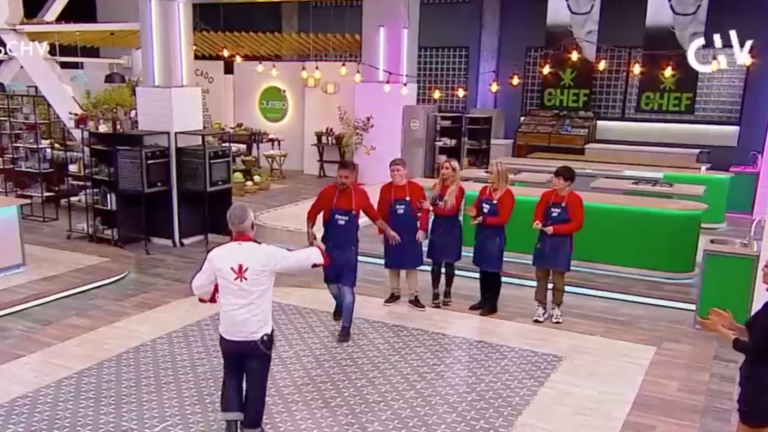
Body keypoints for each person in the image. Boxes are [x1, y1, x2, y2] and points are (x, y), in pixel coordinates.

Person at [192, 202, 327, 432]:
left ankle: (231, 424)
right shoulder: (266, 254)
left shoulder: (217, 255)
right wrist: (319, 250)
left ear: (230, 226)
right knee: (256, 382)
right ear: (253, 225)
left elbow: (199, 286)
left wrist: (214, 295)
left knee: (231, 375)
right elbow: (299, 260)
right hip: (258, 335)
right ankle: (252, 427)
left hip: (230, 332)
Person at [306, 160, 399, 342]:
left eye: (346, 178)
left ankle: (346, 328)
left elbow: (375, 217)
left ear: (354, 177)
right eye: (339, 176)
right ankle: (339, 304)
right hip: (329, 249)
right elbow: (312, 213)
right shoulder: (327, 193)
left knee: (347, 290)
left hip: (349, 251)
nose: (342, 180)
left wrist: (388, 230)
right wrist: (309, 231)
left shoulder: (360, 195)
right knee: (333, 287)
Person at [700, 262, 768, 432]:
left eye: (767, 266)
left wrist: (720, 330)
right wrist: (733, 326)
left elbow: (752, 349)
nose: (763, 269)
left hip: (760, 384)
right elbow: (761, 337)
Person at [531, 165, 584, 324]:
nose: (555, 181)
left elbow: (577, 224)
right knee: (541, 276)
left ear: (568, 182)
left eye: (559, 179)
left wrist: (555, 229)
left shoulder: (574, 199)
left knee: (558, 278)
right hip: (544, 240)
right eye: (555, 177)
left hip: (562, 243)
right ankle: (541, 306)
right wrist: (538, 222)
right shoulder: (546, 196)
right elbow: (538, 213)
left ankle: (556, 307)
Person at [377, 158, 430, 311]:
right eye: (392, 171)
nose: (395, 173)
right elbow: (380, 213)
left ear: (405, 171)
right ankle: (395, 293)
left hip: (411, 233)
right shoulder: (385, 189)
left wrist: (422, 229)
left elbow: (425, 210)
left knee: (411, 265)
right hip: (392, 232)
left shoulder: (416, 189)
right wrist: (383, 231)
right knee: (393, 264)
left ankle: (414, 296)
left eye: (398, 170)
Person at [466, 160, 515, 317]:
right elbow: (477, 208)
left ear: (499, 175)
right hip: (482, 234)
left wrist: (484, 219)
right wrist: (474, 213)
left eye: (491, 173)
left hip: (495, 237)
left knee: (492, 270)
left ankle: (492, 304)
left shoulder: (507, 195)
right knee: (482, 269)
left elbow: (503, 218)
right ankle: (483, 299)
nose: (488, 175)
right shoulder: (484, 190)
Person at [425, 159, 465, 308]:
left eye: (447, 168)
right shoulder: (436, 187)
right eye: (442, 168)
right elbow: (433, 205)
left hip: (451, 228)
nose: (443, 171)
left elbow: (451, 211)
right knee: (436, 262)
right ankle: (435, 291)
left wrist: (431, 208)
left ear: (454, 172)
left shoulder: (459, 190)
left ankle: (448, 291)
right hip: (438, 226)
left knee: (449, 262)